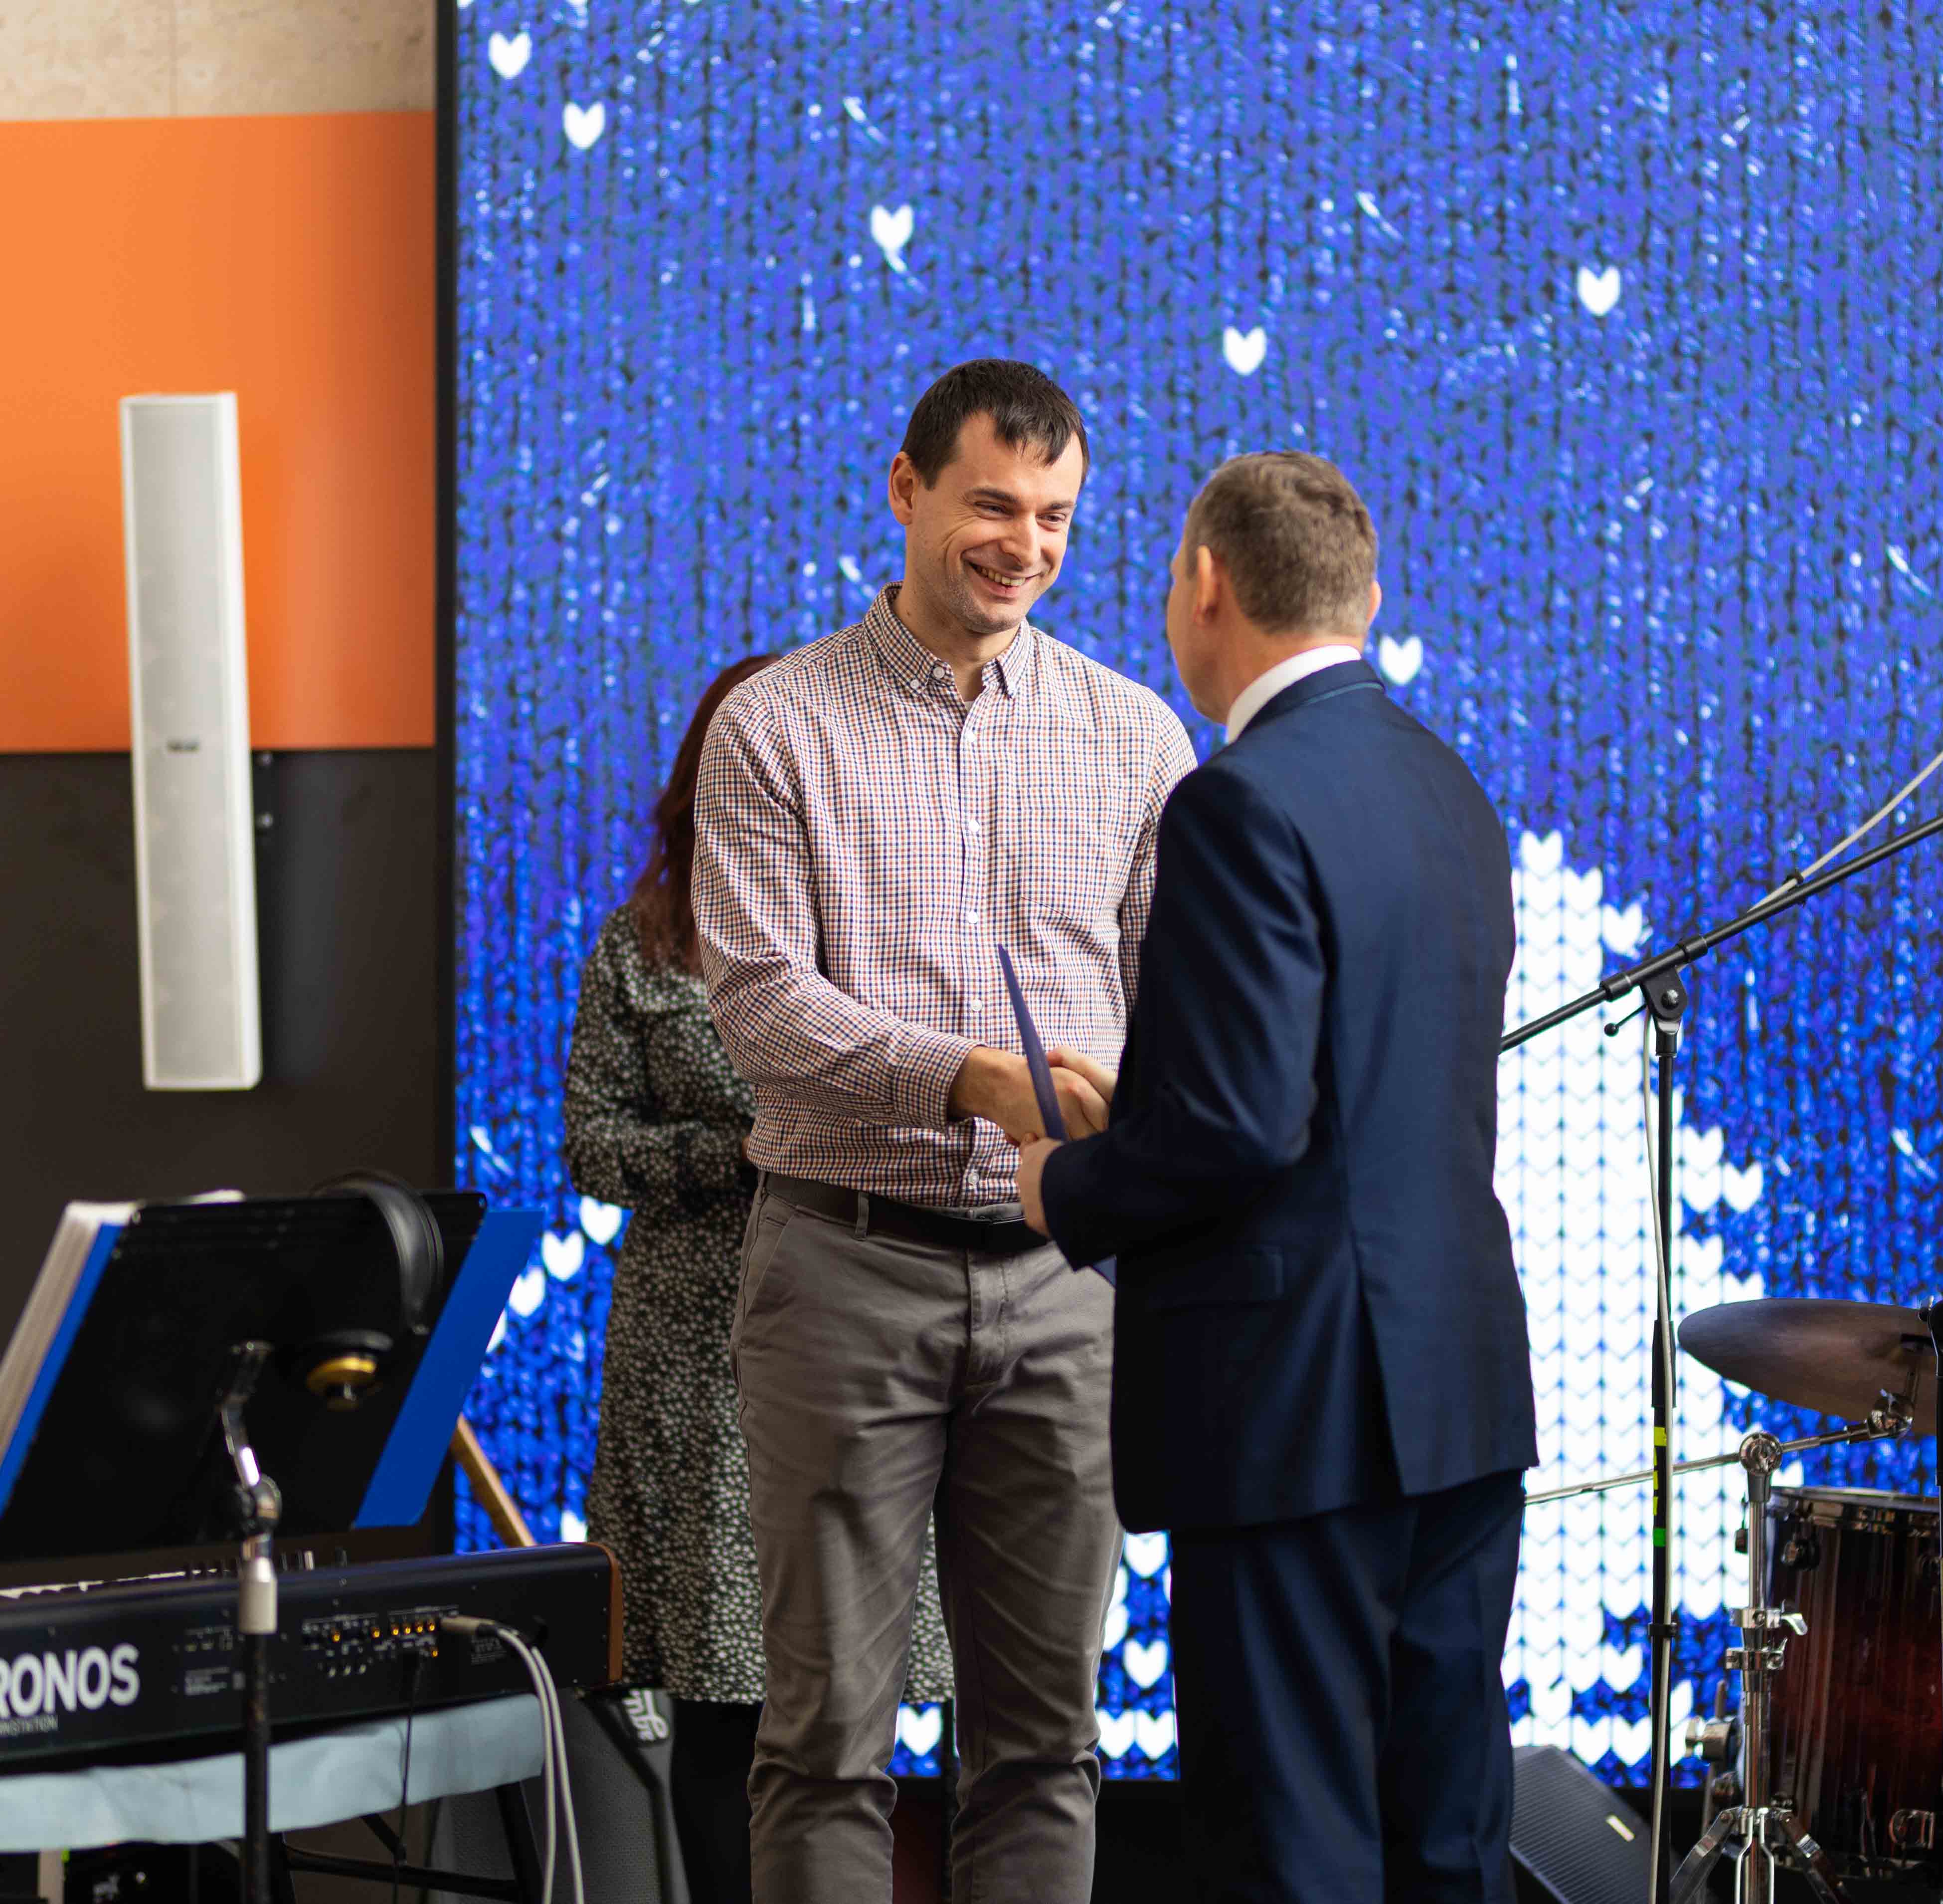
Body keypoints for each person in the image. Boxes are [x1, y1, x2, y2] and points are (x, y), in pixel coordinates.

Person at [691, 359, 1196, 1904]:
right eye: (992, 504)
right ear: (905, 490)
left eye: (1054, 516)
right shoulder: (775, 724)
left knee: (1046, 1743)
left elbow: (1176, 1006)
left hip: (1065, 1286)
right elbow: (759, 1002)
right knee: (827, 1741)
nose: (1023, 544)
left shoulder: (1136, 736)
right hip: (842, 1269)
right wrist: (970, 1078)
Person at [1015, 452, 1537, 1902]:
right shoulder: (1449, 787)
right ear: (1364, 597)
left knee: (1292, 1854)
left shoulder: (1236, 800)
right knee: (1448, 1841)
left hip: (1296, 1408)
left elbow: (1239, 1126)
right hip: (1458, 1394)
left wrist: (1067, 1180)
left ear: (1206, 584)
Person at [565, 654, 957, 1904]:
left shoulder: (879, 922)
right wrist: (730, 1151)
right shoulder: (644, 943)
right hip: (692, 1359)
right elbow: (591, 1145)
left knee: (853, 1691)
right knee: (719, 1694)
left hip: (855, 1322)